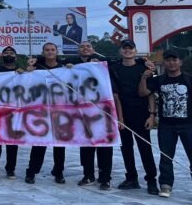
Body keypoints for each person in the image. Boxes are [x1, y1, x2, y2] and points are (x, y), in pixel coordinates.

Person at [139, 50, 192, 198]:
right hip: (166, 125)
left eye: (174, 60)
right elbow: (143, 93)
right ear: (164, 63)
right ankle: (166, 185)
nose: (171, 63)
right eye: (168, 60)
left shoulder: (188, 79)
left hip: (188, 124)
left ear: (180, 62)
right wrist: (144, 77)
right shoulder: (160, 80)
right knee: (166, 157)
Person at [110, 38, 158, 194]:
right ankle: (131, 177)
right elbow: (116, 94)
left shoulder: (144, 68)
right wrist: (120, 118)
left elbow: (150, 94)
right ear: (120, 51)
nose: (127, 50)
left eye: (130, 48)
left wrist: (152, 115)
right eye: (125, 48)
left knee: (145, 148)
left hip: (141, 113)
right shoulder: (115, 68)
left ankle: (151, 180)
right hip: (123, 113)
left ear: (135, 51)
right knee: (126, 148)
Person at [25, 42, 74, 184]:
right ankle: (32, 171)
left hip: (60, 110)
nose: (50, 52)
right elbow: (26, 83)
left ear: (57, 51)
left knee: (59, 144)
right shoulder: (37, 67)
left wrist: (71, 69)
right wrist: (28, 70)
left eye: (53, 49)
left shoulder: (64, 67)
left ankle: (58, 171)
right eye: (47, 50)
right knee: (39, 142)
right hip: (41, 110)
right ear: (43, 52)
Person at [75, 41, 117, 190]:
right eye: (82, 47)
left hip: (103, 112)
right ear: (78, 51)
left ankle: (105, 178)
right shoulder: (72, 64)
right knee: (86, 146)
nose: (85, 48)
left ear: (94, 50)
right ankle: (88, 175)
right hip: (83, 112)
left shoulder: (104, 65)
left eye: (88, 46)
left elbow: (120, 61)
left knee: (105, 146)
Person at [0, 46, 22, 180]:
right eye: (6, 53)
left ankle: (10, 169)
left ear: (16, 57)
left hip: (15, 111)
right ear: (2, 56)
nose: (8, 54)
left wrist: (25, 73)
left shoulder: (21, 72)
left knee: (12, 142)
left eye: (11, 53)